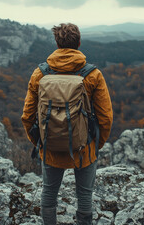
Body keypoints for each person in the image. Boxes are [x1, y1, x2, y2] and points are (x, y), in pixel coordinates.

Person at [21, 23, 113, 225]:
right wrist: (96, 144)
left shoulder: (40, 74)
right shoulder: (92, 75)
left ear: (57, 43)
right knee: (85, 196)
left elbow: (27, 115)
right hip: (84, 148)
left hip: (51, 146)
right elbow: (105, 117)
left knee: (49, 193)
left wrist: (39, 140)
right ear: (78, 43)